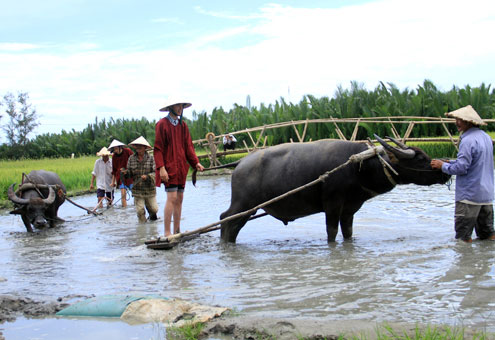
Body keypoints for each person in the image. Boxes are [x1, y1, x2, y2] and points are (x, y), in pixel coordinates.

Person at [431, 105, 495, 243]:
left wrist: (443, 165)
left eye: (459, 120)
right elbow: (475, 161)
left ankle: (465, 264)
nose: (456, 123)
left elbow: (461, 168)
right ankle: (486, 263)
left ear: (468, 121)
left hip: (468, 197)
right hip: (486, 196)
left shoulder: (467, 140)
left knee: (462, 240)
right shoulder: (486, 138)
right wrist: (451, 161)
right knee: (488, 237)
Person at [154, 100, 204, 237]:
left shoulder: (183, 126)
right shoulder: (162, 125)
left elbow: (188, 147)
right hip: (169, 167)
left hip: (181, 167)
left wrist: (196, 163)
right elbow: (158, 149)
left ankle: (177, 230)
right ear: (170, 107)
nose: (180, 108)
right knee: (172, 197)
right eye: (177, 105)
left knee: (180, 198)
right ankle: (167, 232)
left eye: (182, 106)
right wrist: (161, 168)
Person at [125, 136, 158, 223]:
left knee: (154, 209)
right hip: (137, 190)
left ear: (145, 147)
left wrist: (148, 177)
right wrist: (125, 173)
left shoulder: (151, 158)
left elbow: (155, 173)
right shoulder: (131, 159)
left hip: (149, 189)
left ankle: (152, 223)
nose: (138, 147)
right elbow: (129, 173)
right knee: (140, 211)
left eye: (140, 146)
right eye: (137, 146)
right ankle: (142, 229)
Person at [108, 139, 133, 208]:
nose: (115, 150)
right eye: (114, 149)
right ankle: (124, 210)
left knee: (136, 194)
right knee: (123, 195)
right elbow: (114, 170)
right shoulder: (114, 156)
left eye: (116, 148)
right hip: (121, 178)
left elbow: (134, 161)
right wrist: (113, 182)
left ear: (120, 147)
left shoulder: (128, 152)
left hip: (130, 176)